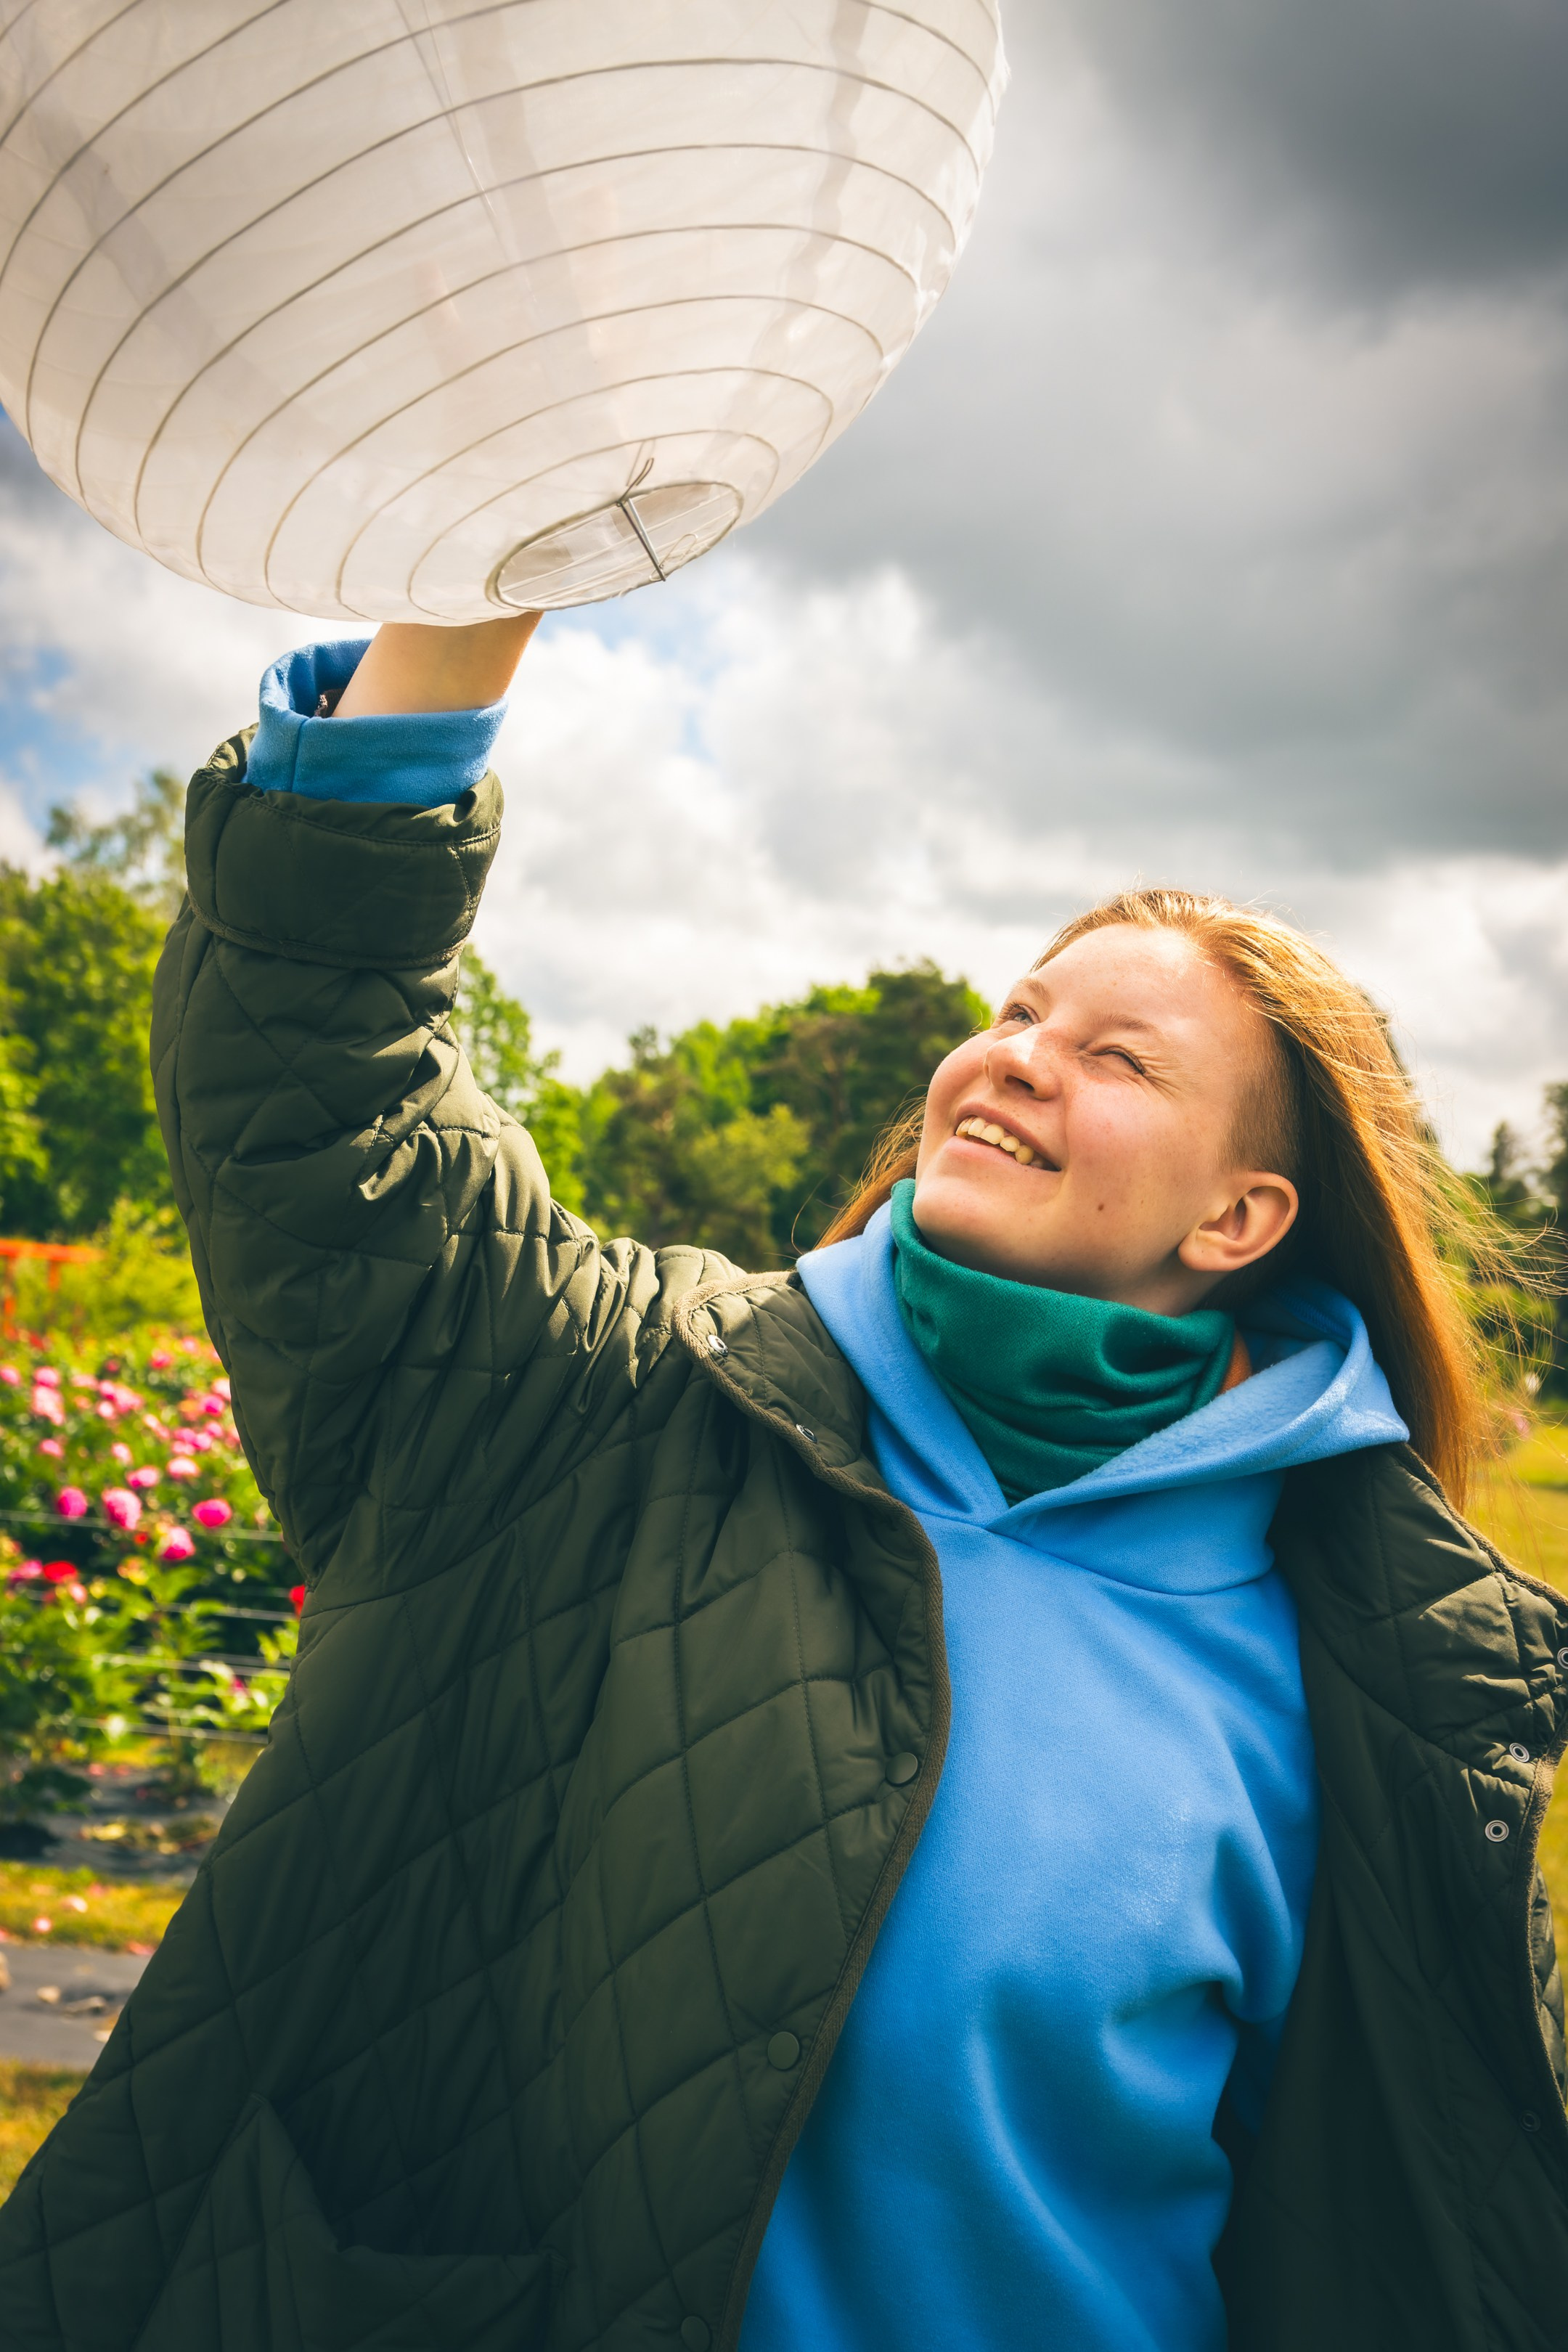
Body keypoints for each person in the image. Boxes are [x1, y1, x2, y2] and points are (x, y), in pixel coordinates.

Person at [1, 616, 1564, 2352]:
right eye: (1019, 1011)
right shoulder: (605, 1395)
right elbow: (321, 1086)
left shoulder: (1382, 1686)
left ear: (1240, 1218)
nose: (1017, 1053)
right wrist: (473, 587)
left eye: (1119, 1058)